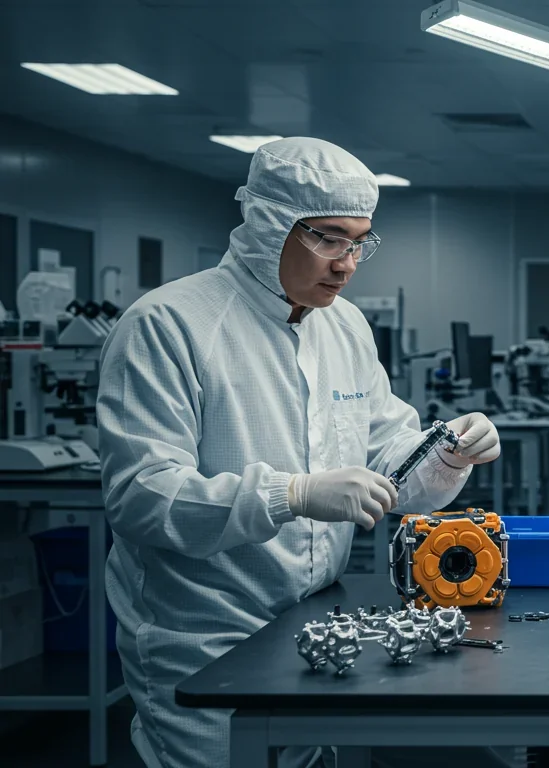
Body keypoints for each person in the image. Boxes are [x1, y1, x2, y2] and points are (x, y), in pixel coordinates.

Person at [98, 138, 504, 768]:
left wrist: (449, 452)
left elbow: (389, 458)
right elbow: (142, 496)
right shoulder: (169, 323)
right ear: (267, 223)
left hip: (318, 620)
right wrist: (291, 495)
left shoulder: (344, 326)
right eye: (328, 238)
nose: (347, 263)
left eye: (360, 242)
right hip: (206, 633)